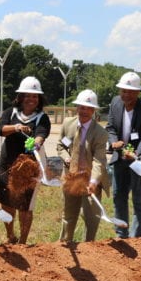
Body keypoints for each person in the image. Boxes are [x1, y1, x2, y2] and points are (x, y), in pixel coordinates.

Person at [106, 72, 141, 238]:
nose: (126, 94)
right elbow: (110, 127)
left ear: (138, 92)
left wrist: (136, 153)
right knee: (118, 196)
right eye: (123, 90)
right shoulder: (115, 103)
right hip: (119, 159)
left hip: (140, 160)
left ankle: (136, 238)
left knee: (139, 200)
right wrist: (114, 141)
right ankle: (121, 233)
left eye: (130, 91)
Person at [0, 76, 51, 244]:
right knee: (7, 202)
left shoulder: (42, 118)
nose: (30, 99)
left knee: (25, 205)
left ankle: (23, 242)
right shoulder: (10, 113)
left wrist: (37, 142)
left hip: (28, 167)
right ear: (20, 97)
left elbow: (41, 134)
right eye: (27, 95)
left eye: (34, 96)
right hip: (7, 164)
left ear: (39, 99)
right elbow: (0, 130)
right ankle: (10, 236)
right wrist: (17, 127)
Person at [56, 90, 110, 242]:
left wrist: (93, 183)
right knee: (68, 215)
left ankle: (89, 248)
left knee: (92, 218)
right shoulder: (68, 124)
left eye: (88, 108)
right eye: (82, 107)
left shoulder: (100, 133)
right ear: (77, 107)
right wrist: (66, 157)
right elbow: (61, 145)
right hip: (71, 178)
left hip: (90, 179)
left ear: (94, 111)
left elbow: (99, 161)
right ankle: (65, 245)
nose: (84, 111)